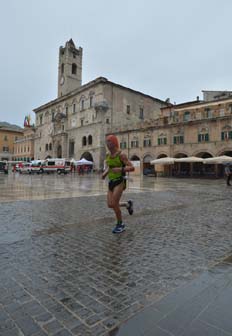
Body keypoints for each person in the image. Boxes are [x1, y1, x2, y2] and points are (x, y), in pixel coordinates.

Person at [102, 134, 135, 234]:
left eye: (109, 141)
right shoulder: (108, 155)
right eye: (107, 141)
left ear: (114, 142)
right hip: (111, 181)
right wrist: (105, 173)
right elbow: (109, 166)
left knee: (114, 203)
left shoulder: (121, 155)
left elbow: (132, 167)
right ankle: (127, 204)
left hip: (120, 181)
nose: (107, 143)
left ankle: (120, 224)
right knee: (110, 204)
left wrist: (120, 169)